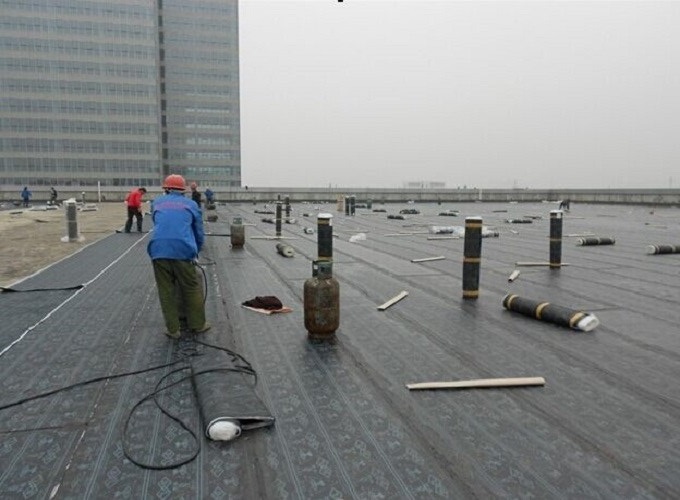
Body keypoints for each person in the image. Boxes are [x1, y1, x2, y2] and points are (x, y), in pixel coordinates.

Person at [147, 174, 210, 339]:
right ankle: (198, 325)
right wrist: (195, 250)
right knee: (191, 287)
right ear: (183, 190)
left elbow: (159, 223)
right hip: (183, 250)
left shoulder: (157, 202)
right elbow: (198, 231)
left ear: (166, 189)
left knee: (166, 290)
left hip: (158, 250)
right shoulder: (191, 204)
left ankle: (173, 329)